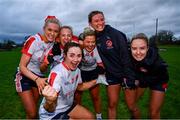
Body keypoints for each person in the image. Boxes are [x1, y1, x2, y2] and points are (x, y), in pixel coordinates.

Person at [88, 10, 140, 119]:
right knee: (112, 105)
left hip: (126, 74)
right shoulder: (94, 37)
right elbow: (83, 43)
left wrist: (129, 77)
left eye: (102, 19)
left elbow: (126, 57)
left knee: (132, 106)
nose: (100, 23)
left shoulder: (116, 34)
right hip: (112, 75)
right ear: (90, 24)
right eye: (96, 21)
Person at [39, 42, 103, 119]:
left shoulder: (77, 70)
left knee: (90, 117)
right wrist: (49, 101)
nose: (76, 60)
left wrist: (98, 80)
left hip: (67, 107)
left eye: (79, 56)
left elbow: (79, 87)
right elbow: (50, 109)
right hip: (52, 113)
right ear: (65, 56)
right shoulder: (58, 73)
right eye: (72, 55)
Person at [14, 16, 61, 118]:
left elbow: (42, 69)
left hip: (39, 76)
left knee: (32, 112)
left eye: (56, 31)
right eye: (49, 30)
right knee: (32, 113)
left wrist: (47, 62)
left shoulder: (53, 44)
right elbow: (22, 66)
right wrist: (37, 79)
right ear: (44, 29)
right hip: (25, 75)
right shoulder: (34, 40)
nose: (52, 34)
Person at [130, 33, 169, 119]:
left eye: (142, 48)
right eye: (134, 48)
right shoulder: (129, 56)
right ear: (130, 48)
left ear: (147, 48)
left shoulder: (158, 64)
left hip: (158, 80)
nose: (138, 52)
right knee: (132, 104)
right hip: (143, 78)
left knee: (154, 112)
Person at [75, 27, 106, 120]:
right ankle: (77, 115)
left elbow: (101, 65)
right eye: (88, 42)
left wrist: (101, 71)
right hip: (81, 72)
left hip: (92, 72)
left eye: (93, 41)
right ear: (82, 41)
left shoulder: (97, 50)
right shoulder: (79, 48)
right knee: (77, 96)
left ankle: (99, 116)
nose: (91, 44)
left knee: (95, 96)